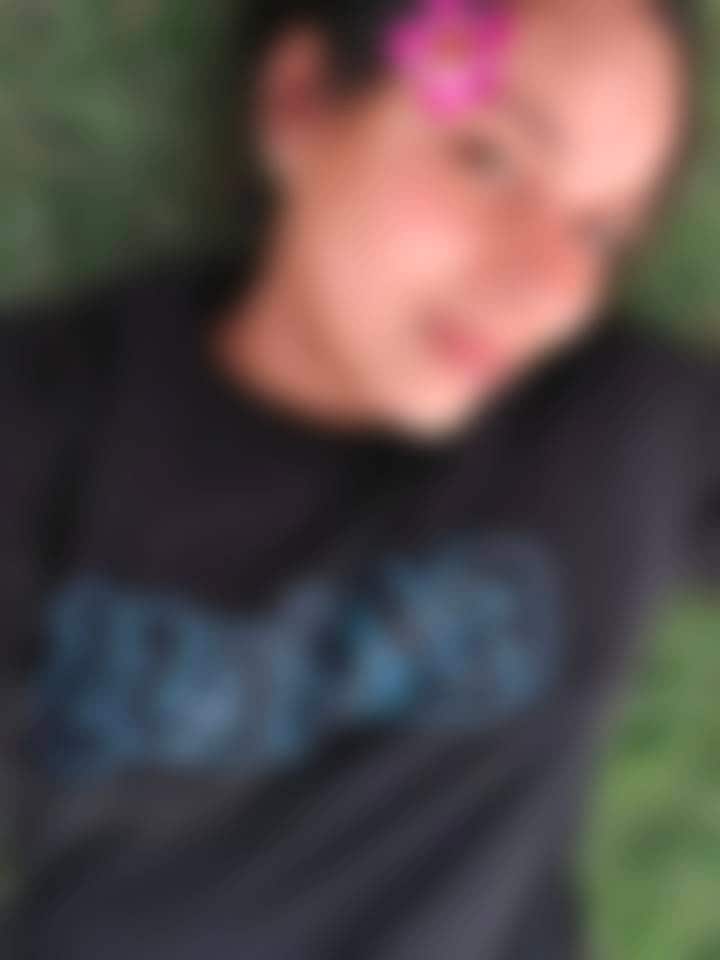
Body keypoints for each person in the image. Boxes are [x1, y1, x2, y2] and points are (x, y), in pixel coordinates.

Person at [1, 0, 717, 957]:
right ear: (298, 101)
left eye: (600, 233)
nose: (547, 287)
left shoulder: (617, 432)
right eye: (491, 160)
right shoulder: (42, 432)